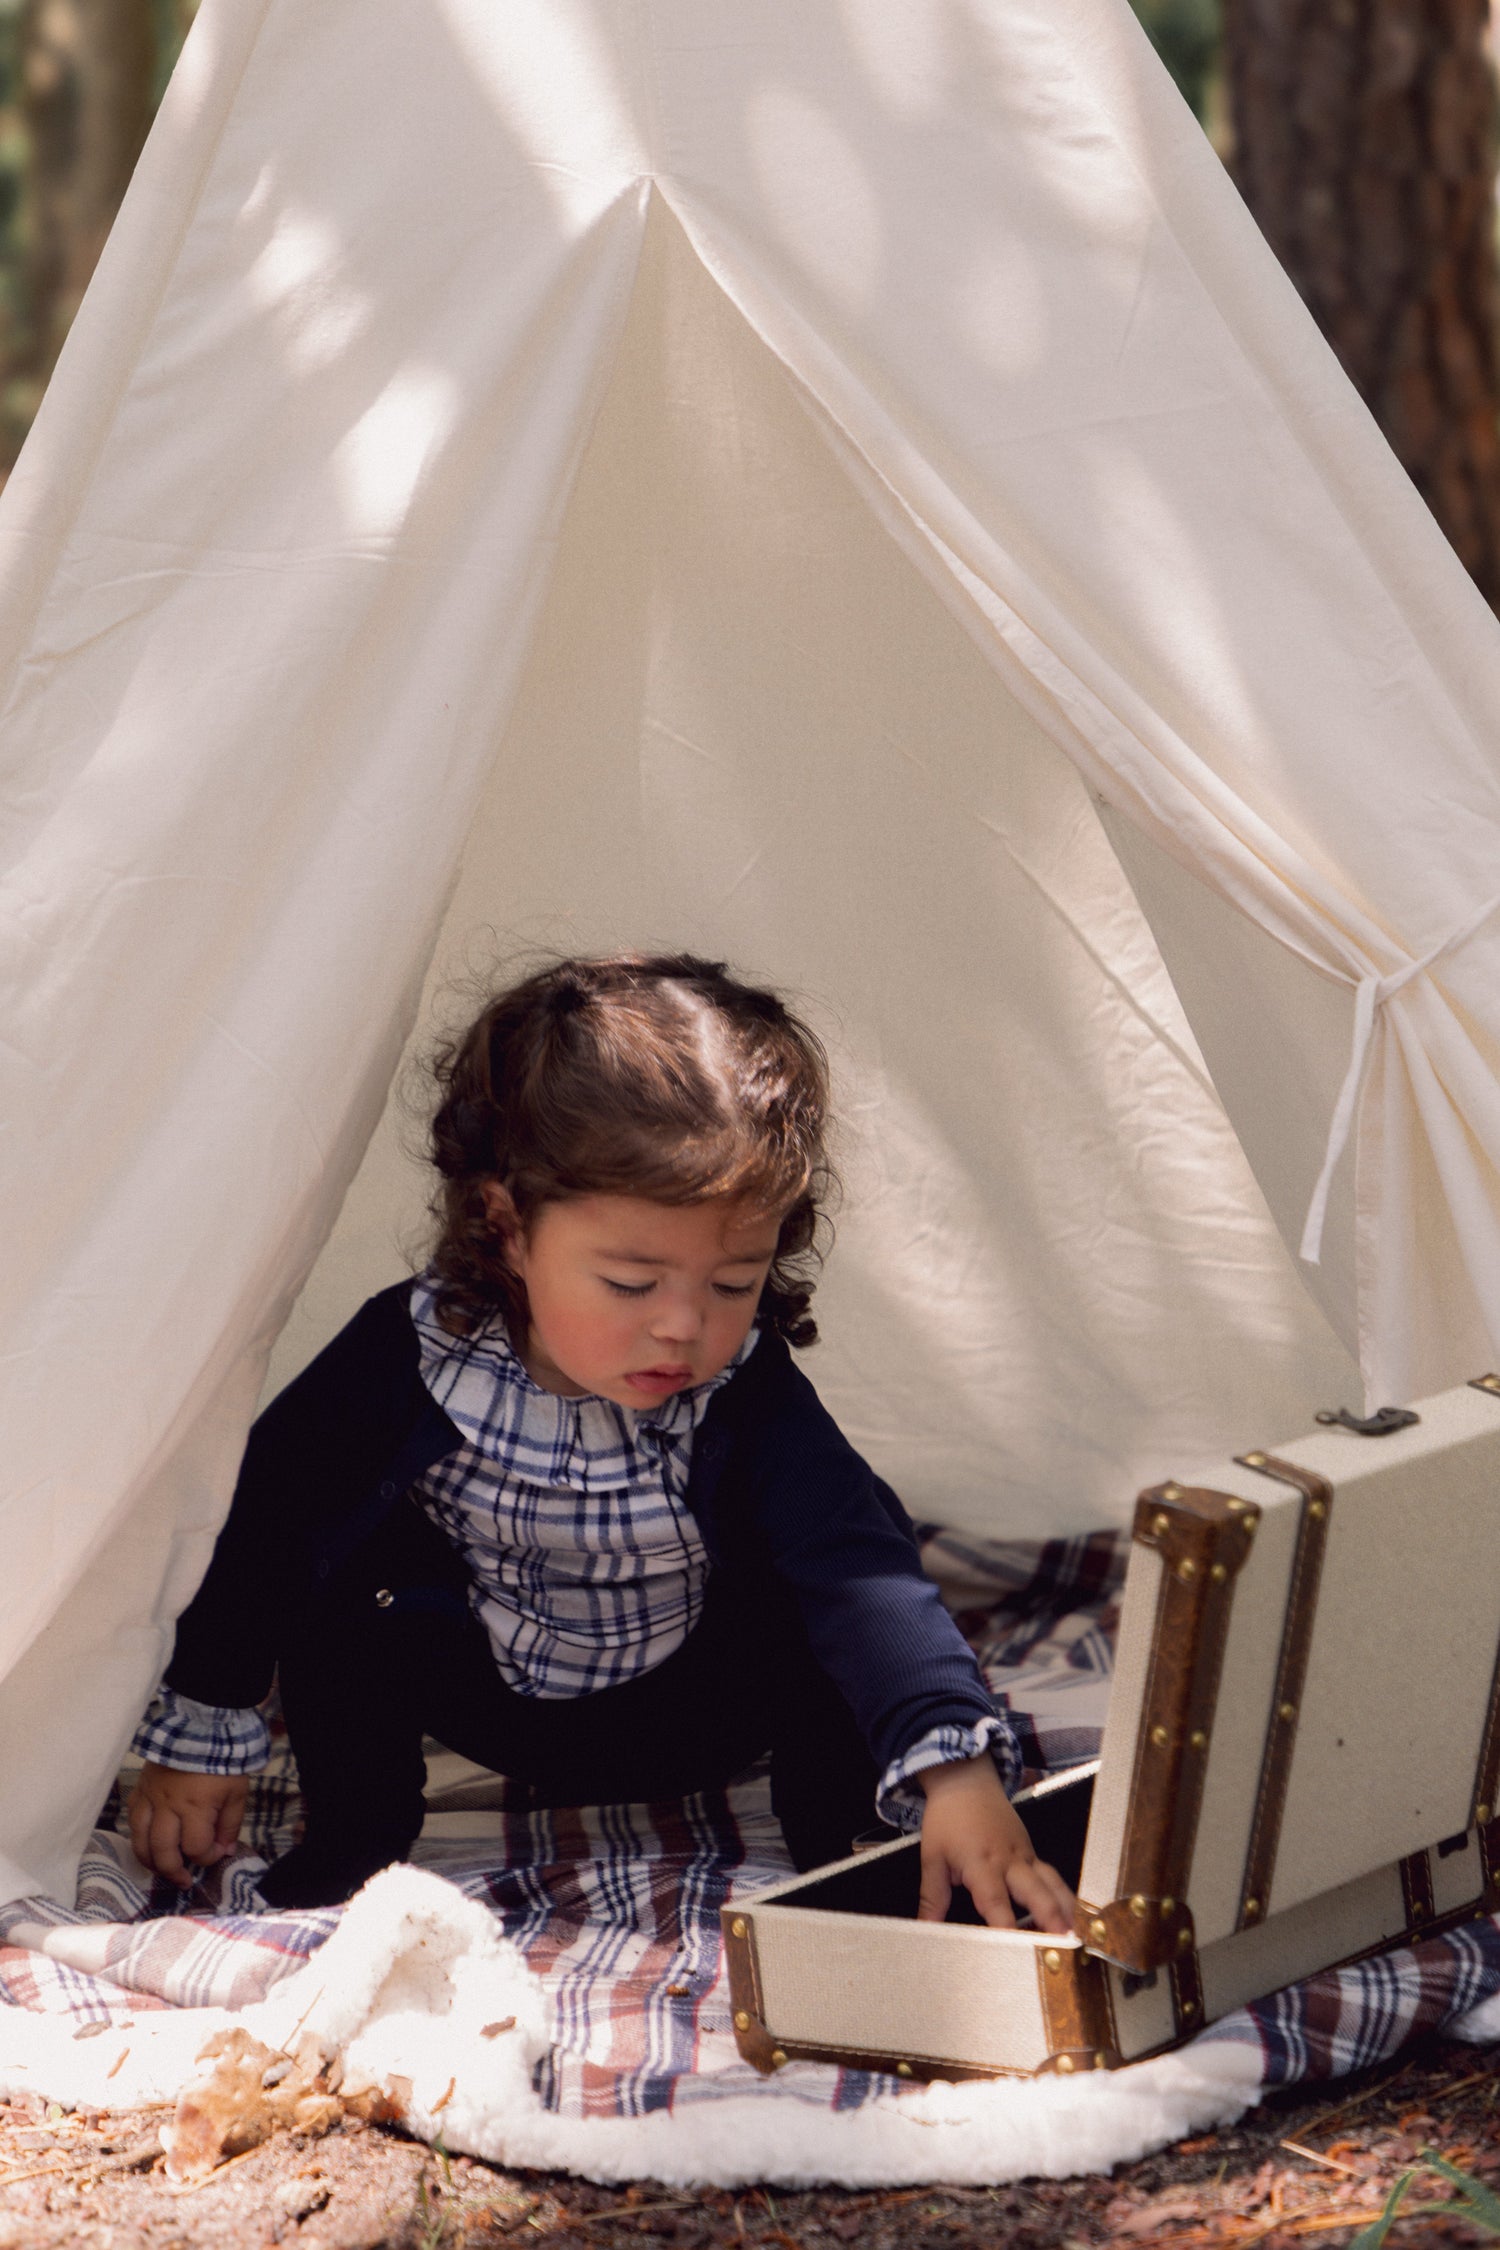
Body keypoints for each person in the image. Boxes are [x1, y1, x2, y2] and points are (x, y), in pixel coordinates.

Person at [126, 953, 1075, 1932]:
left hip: (702, 1710)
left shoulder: (739, 1387)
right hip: (494, 1700)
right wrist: (198, 1739)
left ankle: (837, 1834)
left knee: (845, 1524)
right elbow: (267, 1526)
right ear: (505, 1226)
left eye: (732, 1280)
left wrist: (956, 1770)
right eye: (630, 1284)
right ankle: (356, 1841)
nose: (681, 1326)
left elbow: (857, 1570)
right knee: (339, 1555)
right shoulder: (414, 1352)